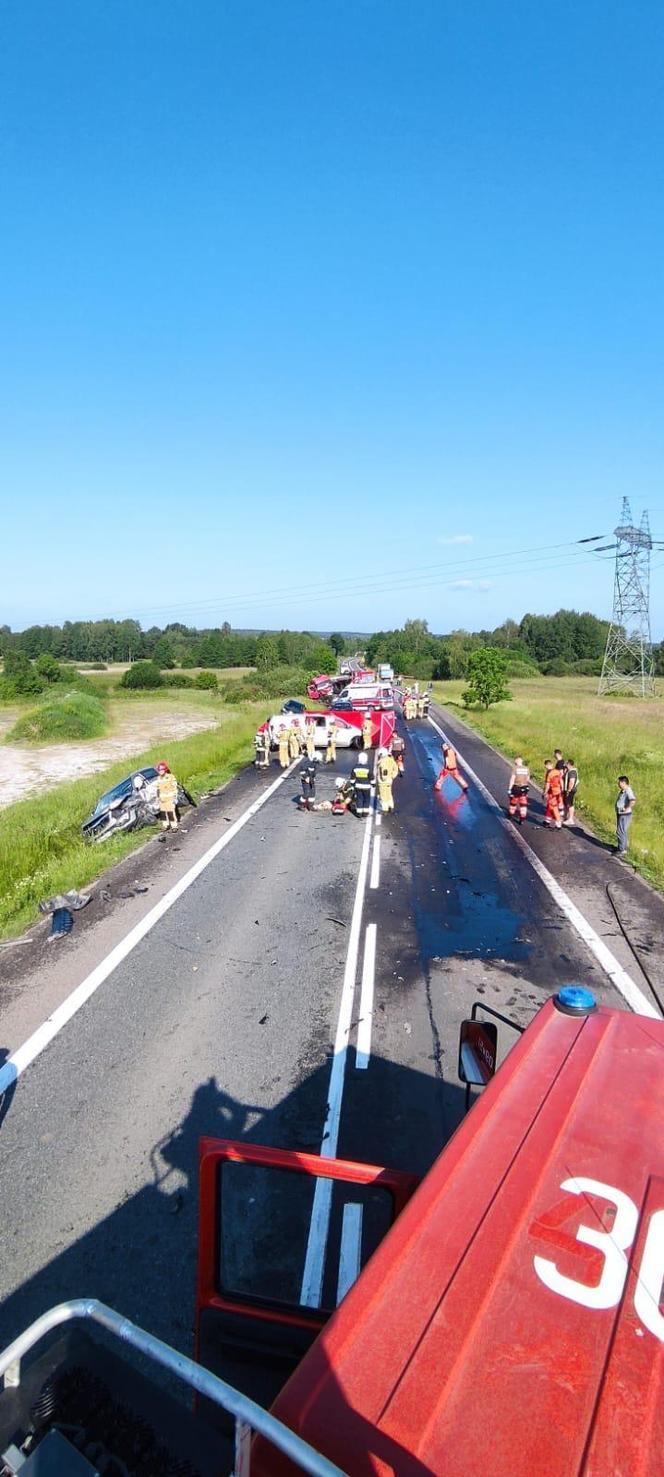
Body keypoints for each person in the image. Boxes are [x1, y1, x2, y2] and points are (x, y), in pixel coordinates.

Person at [614, 775, 636, 856]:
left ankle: (621, 850)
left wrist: (626, 808)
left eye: (619, 782)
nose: (618, 784)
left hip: (625, 814)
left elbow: (633, 801)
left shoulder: (628, 790)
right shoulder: (623, 790)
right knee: (623, 831)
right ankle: (623, 848)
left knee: (620, 831)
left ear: (623, 782)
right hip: (621, 813)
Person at [156, 761, 179, 831]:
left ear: (165, 770)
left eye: (161, 770)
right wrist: (157, 798)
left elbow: (174, 787)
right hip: (162, 799)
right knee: (163, 813)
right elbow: (158, 789)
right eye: (159, 770)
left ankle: (174, 826)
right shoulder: (159, 778)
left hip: (170, 798)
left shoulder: (170, 777)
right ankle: (165, 825)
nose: (160, 771)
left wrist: (175, 797)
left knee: (170, 812)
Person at [507, 756, 530, 824]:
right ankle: (522, 818)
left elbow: (512, 779)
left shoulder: (515, 768)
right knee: (523, 804)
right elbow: (528, 779)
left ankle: (510, 814)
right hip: (525, 788)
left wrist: (509, 789)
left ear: (517, 761)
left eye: (515, 761)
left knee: (513, 802)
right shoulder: (526, 769)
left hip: (516, 787)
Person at [376, 747, 399, 813]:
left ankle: (385, 809)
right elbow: (396, 769)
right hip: (389, 781)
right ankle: (391, 807)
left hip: (383, 782)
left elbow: (384, 771)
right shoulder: (391, 760)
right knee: (389, 794)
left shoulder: (383, 762)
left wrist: (383, 778)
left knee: (383, 796)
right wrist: (392, 776)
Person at [350, 751, 372, 816]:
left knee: (359, 799)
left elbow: (352, 777)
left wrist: (352, 784)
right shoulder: (368, 767)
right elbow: (371, 776)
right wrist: (373, 784)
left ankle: (359, 813)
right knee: (366, 799)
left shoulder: (355, 767)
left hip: (358, 786)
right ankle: (365, 813)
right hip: (366, 787)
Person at [543, 760, 564, 828]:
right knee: (550, 807)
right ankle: (547, 821)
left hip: (552, 792)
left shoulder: (549, 773)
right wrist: (562, 789)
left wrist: (544, 793)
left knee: (553, 807)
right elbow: (561, 780)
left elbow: (547, 785)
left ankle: (558, 824)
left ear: (546, 765)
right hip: (558, 792)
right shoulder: (557, 771)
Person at [563, 758, 578, 825]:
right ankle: (565, 817)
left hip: (570, 790)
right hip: (568, 790)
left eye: (566, 763)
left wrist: (568, 790)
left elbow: (571, 781)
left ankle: (571, 819)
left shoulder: (572, 772)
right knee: (566, 803)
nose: (565, 765)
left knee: (570, 804)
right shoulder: (569, 771)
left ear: (569, 764)